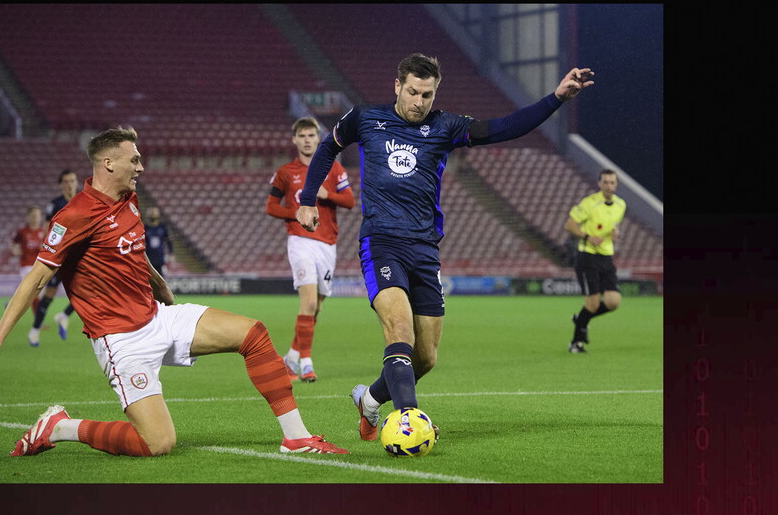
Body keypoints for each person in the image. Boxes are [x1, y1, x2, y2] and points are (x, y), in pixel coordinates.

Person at [0, 126, 349, 457]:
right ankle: (59, 427)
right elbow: (36, 279)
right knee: (158, 443)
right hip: (121, 340)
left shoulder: (129, 199)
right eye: (134, 159)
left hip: (157, 316)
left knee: (254, 334)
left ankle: (297, 438)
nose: (141, 166)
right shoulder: (74, 215)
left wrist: (158, 283)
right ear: (109, 163)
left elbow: (133, 251)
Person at [295, 53, 594, 441]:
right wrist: (306, 199)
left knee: (426, 357)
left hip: (425, 249)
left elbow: (503, 128)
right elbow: (326, 148)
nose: (420, 102)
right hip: (381, 242)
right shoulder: (365, 118)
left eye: (428, 95)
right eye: (414, 92)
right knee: (399, 330)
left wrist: (555, 97)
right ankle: (408, 419)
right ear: (398, 86)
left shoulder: (445, 125)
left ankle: (370, 399)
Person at [265, 116, 355, 382]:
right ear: (294, 140)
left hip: (327, 244)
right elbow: (271, 207)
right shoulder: (284, 172)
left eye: (311, 136)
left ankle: (291, 358)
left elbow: (350, 201)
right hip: (300, 241)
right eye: (301, 136)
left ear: (319, 138)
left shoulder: (334, 169)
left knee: (316, 307)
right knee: (310, 302)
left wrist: (328, 196)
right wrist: (297, 214)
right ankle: (306, 363)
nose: (307, 140)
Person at [563, 169, 626, 353]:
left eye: (612, 182)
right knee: (592, 304)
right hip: (587, 256)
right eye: (605, 182)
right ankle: (575, 343)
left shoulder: (621, 205)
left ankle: (581, 318)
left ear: (616, 184)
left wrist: (616, 233)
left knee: (613, 302)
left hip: (606, 256)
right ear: (599, 184)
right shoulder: (590, 203)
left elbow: (613, 225)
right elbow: (569, 224)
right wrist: (587, 236)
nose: (609, 186)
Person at [27, 169, 79, 345]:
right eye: (66, 181)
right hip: (60, 255)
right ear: (61, 185)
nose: (69, 184)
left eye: (72, 181)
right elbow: (49, 230)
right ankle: (35, 330)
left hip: (78, 256)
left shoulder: (84, 201)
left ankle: (63, 315)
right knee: (49, 294)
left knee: (88, 292)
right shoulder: (55, 205)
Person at [9, 206, 46, 320]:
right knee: (34, 292)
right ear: (28, 217)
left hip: (40, 265)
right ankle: (38, 321)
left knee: (37, 294)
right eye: (33, 216)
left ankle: (12, 304)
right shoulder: (22, 232)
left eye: (37, 216)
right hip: (26, 265)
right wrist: (14, 250)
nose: (35, 218)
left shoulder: (43, 232)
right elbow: (12, 242)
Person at [143, 206, 173, 277]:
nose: (153, 213)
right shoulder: (144, 227)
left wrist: (171, 253)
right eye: (151, 212)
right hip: (148, 259)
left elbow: (169, 240)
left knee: (161, 280)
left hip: (160, 259)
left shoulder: (163, 227)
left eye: (155, 211)